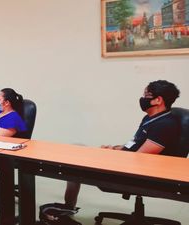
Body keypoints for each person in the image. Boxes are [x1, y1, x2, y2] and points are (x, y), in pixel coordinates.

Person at [63, 80, 181, 210]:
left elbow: (141, 158)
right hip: (128, 163)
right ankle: (67, 209)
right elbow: (135, 144)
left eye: (146, 95)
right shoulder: (150, 118)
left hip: (140, 176)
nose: (142, 99)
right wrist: (114, 149)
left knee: (76, 166)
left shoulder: (165, 125)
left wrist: (111, 157)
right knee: (77, 148)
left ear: (158, 100)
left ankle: (68, 209)